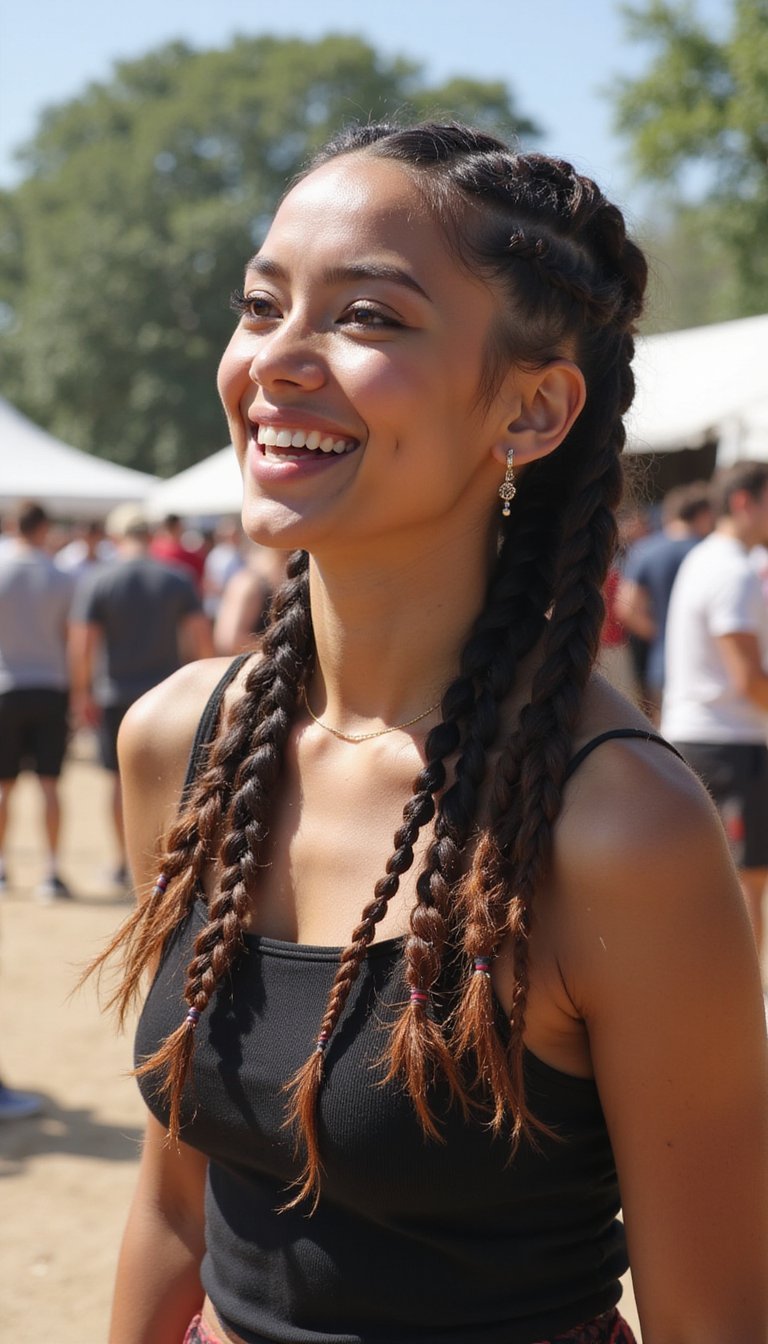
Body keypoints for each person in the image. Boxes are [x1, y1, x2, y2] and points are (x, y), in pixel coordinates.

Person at [92, 125, 767, 1344]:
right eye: (260, 305)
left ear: (533, 408)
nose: (275, 358)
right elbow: (176, 1212)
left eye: (368, 316)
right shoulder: (185, 741)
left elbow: (711, 1319)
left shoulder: (618, 829)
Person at [69, 505, 213, 889]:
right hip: (169, 695)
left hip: (116, 694)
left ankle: (125, 862)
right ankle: (169, 863)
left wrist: (81, 692)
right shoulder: (176, 578)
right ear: (150, 536)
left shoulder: (99, 579)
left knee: (119, 782)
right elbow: (201, 637)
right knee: (176, 781)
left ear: (115, 537)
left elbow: (83, 645)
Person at [662, 460, 768, 959]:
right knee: (746, 882)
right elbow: (748, 678)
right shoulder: (733, 571)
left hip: (704, 740)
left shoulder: (708, 559)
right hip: (728, 745)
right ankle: (742, 998)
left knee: (710, 883)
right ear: (744, 502)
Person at [0, 500, 74, 900]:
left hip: (6, 686)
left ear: (15, 525)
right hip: (50, 685)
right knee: (49, 784)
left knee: (3, 786)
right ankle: (51, 870)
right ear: (44, 527)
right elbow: (70, 636)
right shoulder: (60, 575)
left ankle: (1, 867)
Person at [616, 482, 713, 721]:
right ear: (703, 515)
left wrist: (662, 634)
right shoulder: (710, 552)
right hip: (707, 668)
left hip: (661, 663)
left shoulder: (645, 550)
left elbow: (626, 608)